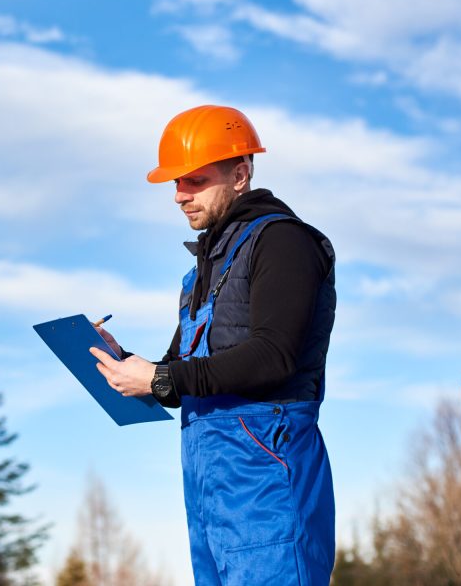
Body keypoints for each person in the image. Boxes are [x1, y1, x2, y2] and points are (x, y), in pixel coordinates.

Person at [90, 105, 336, 586]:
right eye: (175, 184)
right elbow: (182, 375)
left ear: (240, 174)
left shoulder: (284, 241)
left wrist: (161, 377)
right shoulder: (202, 268)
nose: (179, 196)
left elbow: (274, 355)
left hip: (267, 472)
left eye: (194, 180)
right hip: (210, 480)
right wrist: (123, 361)